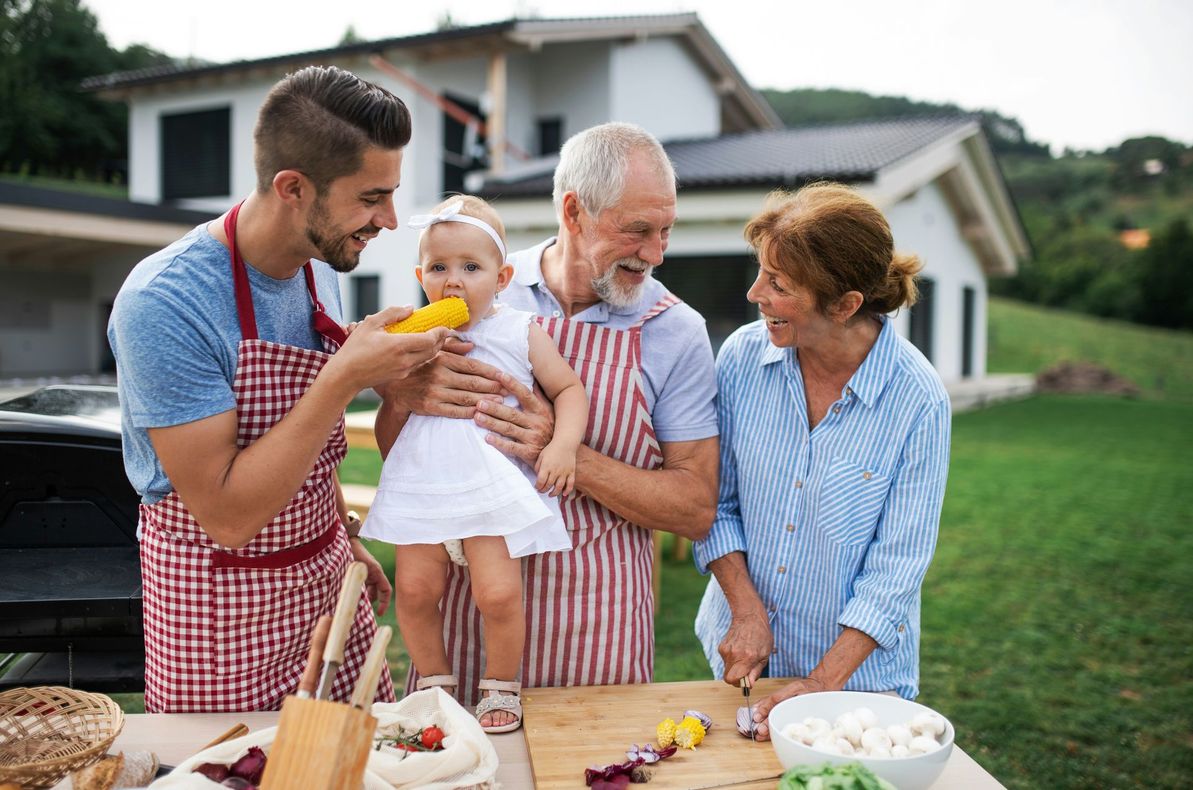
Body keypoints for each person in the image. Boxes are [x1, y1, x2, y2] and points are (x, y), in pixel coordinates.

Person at [107, 65, 454, 712]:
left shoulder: (319, 267)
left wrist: (341, 536)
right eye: (371, 197)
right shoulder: (166, 303)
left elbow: (304, 441)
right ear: (293, 187)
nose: (389, 218)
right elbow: (228, 514)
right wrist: (345, 375)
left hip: (324, 579)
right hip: (216, 612)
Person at [374, 122, 720, 708]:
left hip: (600, 632)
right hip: (467, 630)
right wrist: (400, 396)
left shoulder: (676, 331)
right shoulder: (474, 284)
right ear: (573, 210)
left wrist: (564, 452)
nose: (657, 254)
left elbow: (694, 509)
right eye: (638, 230)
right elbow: (399, 448)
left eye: (665, 231)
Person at [693, 182, 951, 740]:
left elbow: (898, 567)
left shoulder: (918, 399)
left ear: (845, 305)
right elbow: (715, 500)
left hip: (859, 687)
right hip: (743, 661)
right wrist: (746, 611)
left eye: (779, 284)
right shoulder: (740, 357)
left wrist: (820, 681)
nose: (755, 292)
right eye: (761, 271)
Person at [361, 195, 587, 732]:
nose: (453, 281)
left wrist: (562, 447)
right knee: (415, 592)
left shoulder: (519, 331)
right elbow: (383, 394)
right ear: (420, 276)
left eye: (470, 267)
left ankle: (500, 685)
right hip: (424, 485)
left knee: (499, 592)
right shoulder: (414, 334)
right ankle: (435, 685)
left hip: (488, 483)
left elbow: (569, 389)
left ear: (503, 276)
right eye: (438, 268)